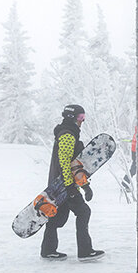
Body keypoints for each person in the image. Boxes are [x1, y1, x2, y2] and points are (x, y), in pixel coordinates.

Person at [41, 103, 104, 262]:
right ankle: (85, 251)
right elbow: (65, 162)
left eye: (83, 118)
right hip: (64, 185)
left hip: (60, 184)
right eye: (80, 117)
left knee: (57, 218)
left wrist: (85, 186)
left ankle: (48, 251)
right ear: (72, 118)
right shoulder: (68, 135)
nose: (82, 121)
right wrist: (70, 187)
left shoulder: (69, 133)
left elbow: (75, 165)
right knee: (83, 212)